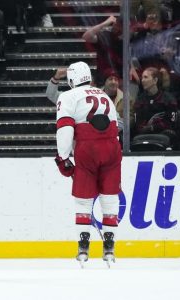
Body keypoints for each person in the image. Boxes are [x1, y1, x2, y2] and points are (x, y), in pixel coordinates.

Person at [54, 61, 122, 265]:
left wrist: (63, 157)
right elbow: (115, 127)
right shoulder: (104, 96)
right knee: (110, 199)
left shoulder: (67, 96)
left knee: (83, 201)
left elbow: (65, 129)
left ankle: (83, 247)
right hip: (111, 147)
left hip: (87, 148)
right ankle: (109, 247)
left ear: (72, 79)